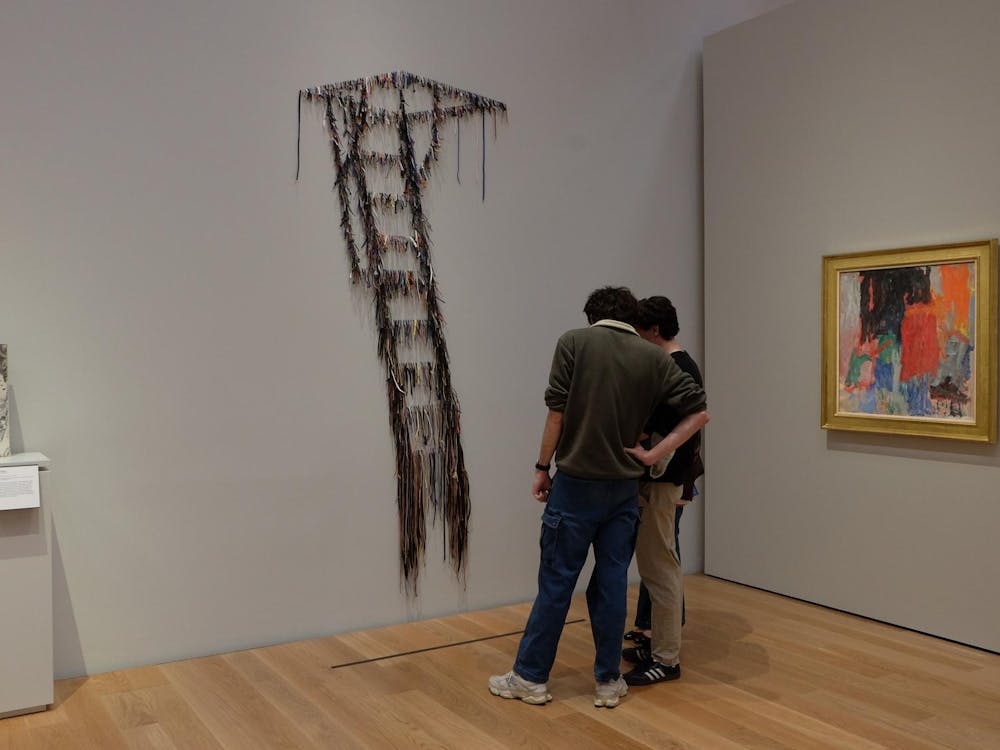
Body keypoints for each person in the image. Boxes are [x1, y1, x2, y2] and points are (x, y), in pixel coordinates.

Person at [488, 287, 709, 708]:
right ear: (631, 317)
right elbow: (699, 412)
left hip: (576, 485)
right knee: (610, 586)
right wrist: (653, 453)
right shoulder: (652, 356)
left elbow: (557, 411)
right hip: (624, 490)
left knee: (557, 583)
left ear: (592, 316)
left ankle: (531, 677)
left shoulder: (574, 342)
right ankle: (608, 681)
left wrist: (541, 467)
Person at [620, 296, 705, 686]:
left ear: (653, 330)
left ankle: (666, 658)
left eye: (639, 329)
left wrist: (650, 452)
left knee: (661, 566)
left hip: (663, 482)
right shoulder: (677, 364)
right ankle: (658, 646)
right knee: (659, 564)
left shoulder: (676, 368)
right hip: (663, 480)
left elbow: (689, 423)